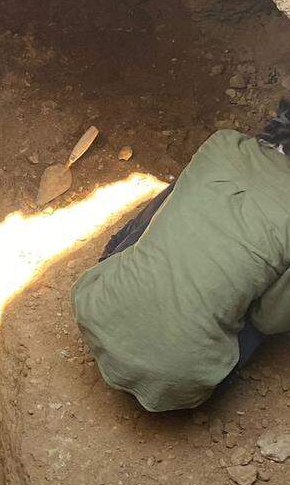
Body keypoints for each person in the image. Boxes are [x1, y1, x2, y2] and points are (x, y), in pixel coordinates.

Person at [71, 100, 290, 411]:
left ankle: (120, 268)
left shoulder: (223, 144)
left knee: (181, 193)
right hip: (176, 378)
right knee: (262, 293)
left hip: (95, 308)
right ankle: (188, 349)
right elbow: (268, 320)